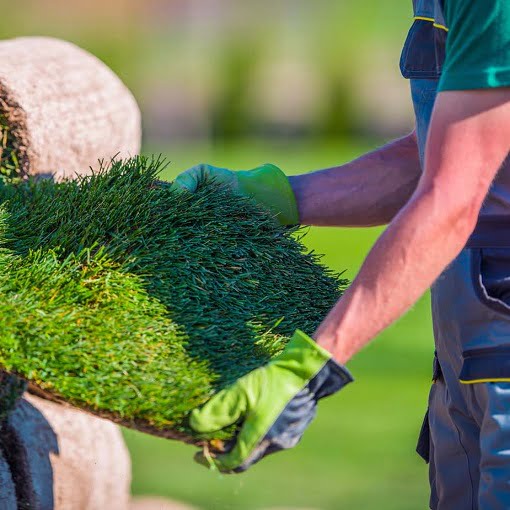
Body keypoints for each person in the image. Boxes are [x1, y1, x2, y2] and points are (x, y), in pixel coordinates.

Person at [173, 1, 510, 508]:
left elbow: (450, 199)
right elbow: (443, 151)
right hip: (467, 362)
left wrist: (307, 370)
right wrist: (279, 196)